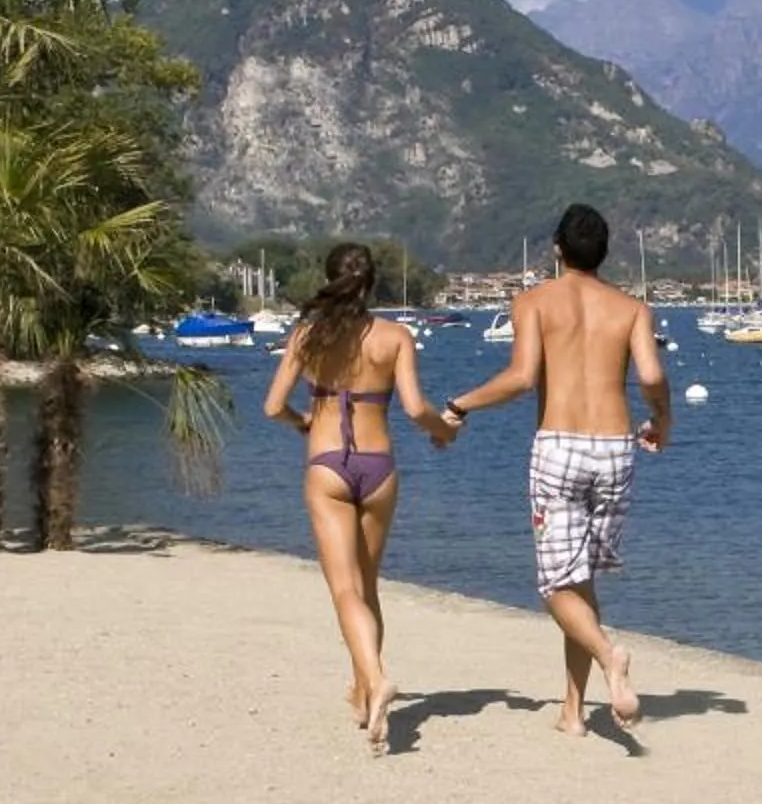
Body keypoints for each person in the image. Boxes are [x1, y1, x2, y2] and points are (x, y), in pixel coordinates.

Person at [435, 203, 671, 734]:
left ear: (557, 250)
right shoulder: (632, 309)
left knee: (554, 586)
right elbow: (652, 375)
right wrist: (663, 418)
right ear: (604, 252)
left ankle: (609, 657)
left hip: (561, 447)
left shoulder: (534, 302)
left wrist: (459, 405)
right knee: (578, 581)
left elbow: (522, 378)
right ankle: (572, 712)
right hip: (615, 448)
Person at [262, 242, 449, 751]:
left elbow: (273, 406)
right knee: (366, 587)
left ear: (329, 280)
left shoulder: (307, 336)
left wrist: (303, 422)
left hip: (328, 465)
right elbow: (415, 409)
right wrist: (445, 431)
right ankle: (364, 692)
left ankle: (376, 678)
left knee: (344, 590)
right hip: (378, 467)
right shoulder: (395, 336)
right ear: (371, 284)